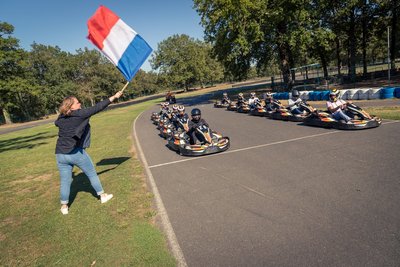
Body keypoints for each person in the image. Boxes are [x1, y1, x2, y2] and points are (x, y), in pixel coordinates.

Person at [55, 90, 123, 215]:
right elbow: (98, 107)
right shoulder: (79, 114)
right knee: (91, 173)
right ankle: (102, 196)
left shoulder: (61, 117)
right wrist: (114, 97)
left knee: (65, 180)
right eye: (77, 102)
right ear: (71, 106)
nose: (80, 103)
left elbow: (57, 123)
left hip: (60, 154)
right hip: (75, 152)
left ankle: (64, 206)